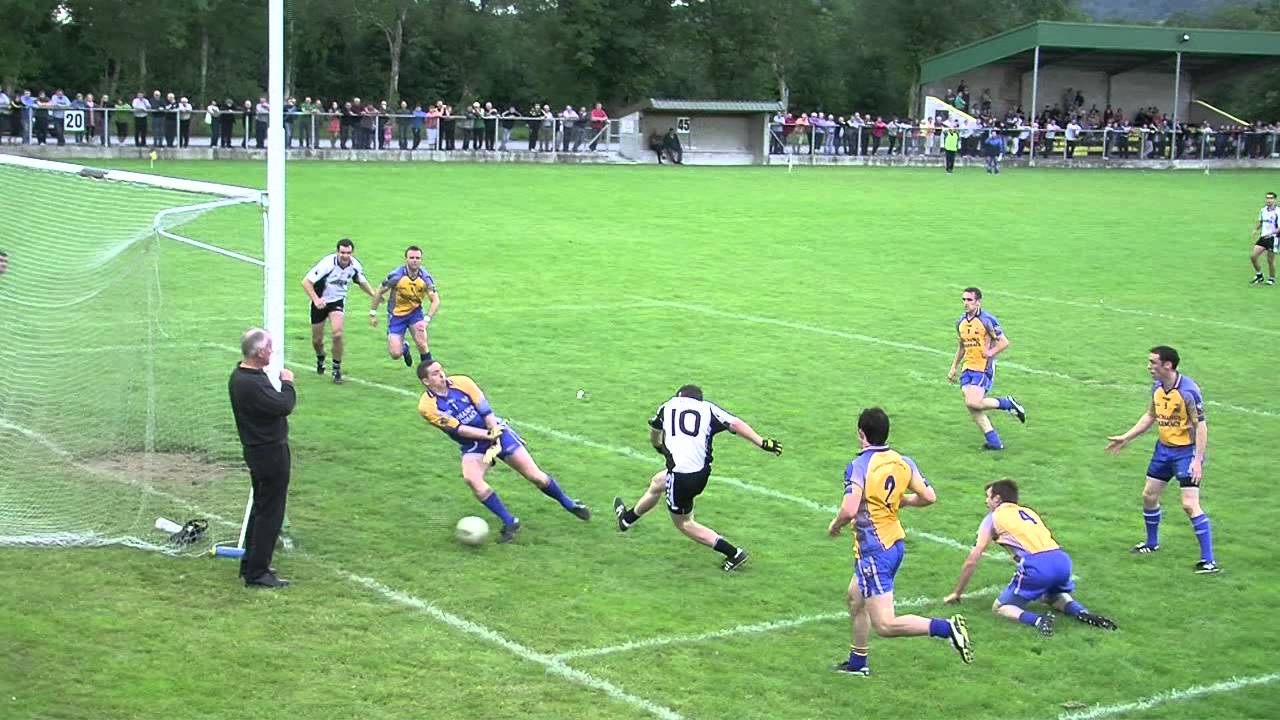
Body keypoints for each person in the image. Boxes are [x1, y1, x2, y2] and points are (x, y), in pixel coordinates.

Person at [827, 407, 972, 674]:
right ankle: (858, 663)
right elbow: (929, 497)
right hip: (894, 544)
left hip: (874, 551)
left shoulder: (859, 466)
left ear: (862, 434)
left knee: (885, 625)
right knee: (854, 599)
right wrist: (902, 500)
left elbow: (849, 509)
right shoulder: (904, 461)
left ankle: (946, 629)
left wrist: (835, 525)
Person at [612, 384, 782, 572]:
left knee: (685, 524)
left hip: (681, 477)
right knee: (657, 482)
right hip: (700, 473)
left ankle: (734, 553)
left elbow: (654, 431)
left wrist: (659, 447)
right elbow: (735, 424)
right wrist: (762, 443)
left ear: (679, 396)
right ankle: (627, 519)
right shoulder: (707, 408)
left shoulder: (668, 405)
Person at [418, 360, 590, 542]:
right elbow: (459, 429)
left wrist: (495, 433)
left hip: (496, 431)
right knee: (472, 479)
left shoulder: (463, 382)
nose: (442, 374)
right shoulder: (427, 407)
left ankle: (569, 503)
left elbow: (485, 410)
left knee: (535, 476)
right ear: (426, 381)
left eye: (441, 370)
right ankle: (510, 521)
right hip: (473, 443)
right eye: (435, 373)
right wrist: (488, 436)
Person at [943, 479, 1117, 635]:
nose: (985, 501)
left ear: (997, 499)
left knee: (1000, 607)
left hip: (1037, 566)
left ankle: (1038, 620)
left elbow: (973, 559)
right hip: (1061, 560)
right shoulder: (1028, 512)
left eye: (988, 497)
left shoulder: (992, 518)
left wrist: (957, 593)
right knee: (1050, 596)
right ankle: (1081, 612)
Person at [1105, 346, 1218, 574]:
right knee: (1149, 495)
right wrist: (1126, 438)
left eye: (1153, 363)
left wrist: (1197, 460)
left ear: (1167, 365)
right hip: (1163, 450)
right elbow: (1150, 415)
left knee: (1189, 504)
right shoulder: (1158, 387)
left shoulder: (1188, 391)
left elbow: (1201, 426)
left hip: (1186, 453)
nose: (1149, 367)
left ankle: (1209, 561)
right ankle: (1151, 543)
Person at [227, 328, 296, 589]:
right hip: (269, 453)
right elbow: (283, 405)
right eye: (269, 348)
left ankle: (251, 564)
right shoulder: (251, 383)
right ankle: (257, 572)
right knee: (270, 512)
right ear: (259, 353)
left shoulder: (243, 376)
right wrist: (288, 383)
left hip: (258, 450)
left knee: (261, 507)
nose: (272, 352)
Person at [947, 287, 1025, 450]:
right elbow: (961, 346)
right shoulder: (960, 322)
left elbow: (1004, 341)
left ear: (978, 302)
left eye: (969, 300)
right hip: (967, 368)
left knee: (972, 401)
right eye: (964, 300)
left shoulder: (987, 320)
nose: (965, 303)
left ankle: (1007, 403)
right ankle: (994, 442)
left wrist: (990, 352)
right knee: (973, 405)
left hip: (982, 368)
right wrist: (953, 367)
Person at [302, 238, 376, 384]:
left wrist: (375, 295)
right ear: (337, 252)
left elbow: (361, 281)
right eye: (342, 252)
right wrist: (316, 300)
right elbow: (306, 282)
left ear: (352, 252)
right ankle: (320, 357)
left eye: (348, 252)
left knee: (337, 333)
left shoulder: (354, 266)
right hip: (320, 303)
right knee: (317, 341)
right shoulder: (327, 264)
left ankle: (336, 368)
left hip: (337, 302)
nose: (345, 256)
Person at [369, 245, 438, 368]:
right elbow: (379, 291)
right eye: (411, 257)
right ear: (406, 259)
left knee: (422, 344)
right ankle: (404, 348)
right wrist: (373, 313)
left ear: (421, 260)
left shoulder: (425, 277)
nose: (415, 260)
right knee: (395, 354)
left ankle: (429, 374)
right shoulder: (396, 276)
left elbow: (435, 300)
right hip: (396, 316)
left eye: (418, 257)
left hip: (415, 314)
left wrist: (426, 320)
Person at [1249, 191, 1278, 285]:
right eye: (1267, 198)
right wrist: (1255, 229)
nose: (1268, 200)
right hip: (1263, 237)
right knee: (1253, 256)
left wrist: (1271, 233)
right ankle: (1259, 275)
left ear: (1275, 200)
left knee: (1270, 260)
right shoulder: (1263, 210)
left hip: (1273, 238)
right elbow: (1261, 221)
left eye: (1271, 198)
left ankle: (1272, 278)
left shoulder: (1278, 211)